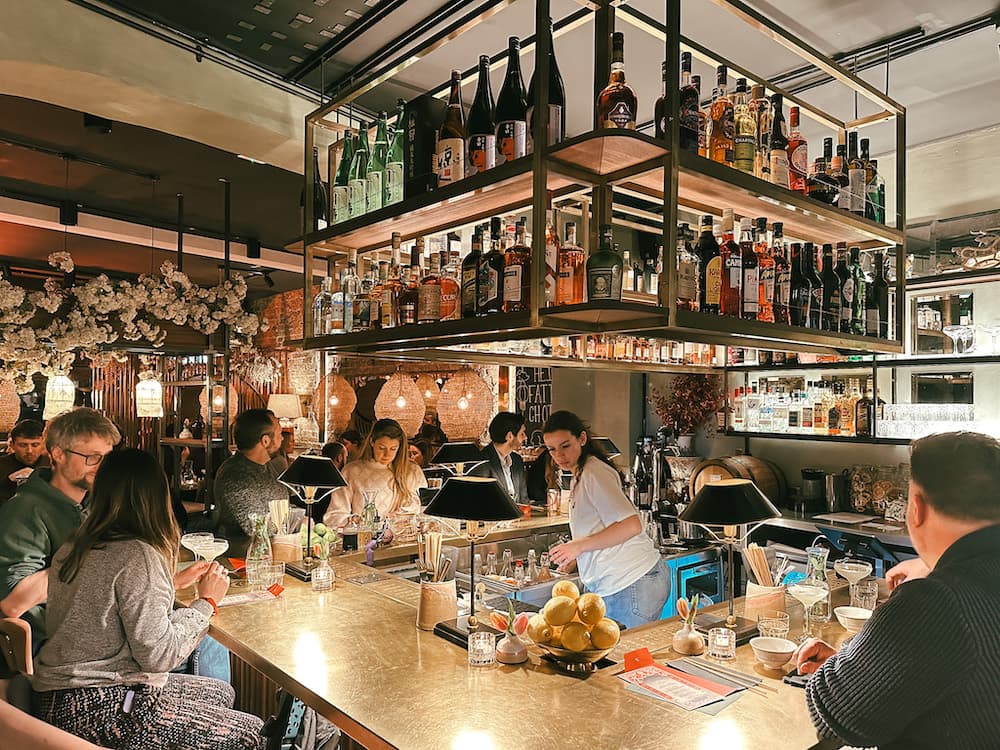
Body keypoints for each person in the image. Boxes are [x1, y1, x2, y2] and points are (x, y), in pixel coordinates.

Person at [30, 448, 264, 750]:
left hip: (59, 696)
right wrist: (207, 602)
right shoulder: (137, 553)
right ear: (157, 495)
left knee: (220, 692)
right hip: (100, 707)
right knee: (250, 733)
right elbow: (159, 657)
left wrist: (171, 586)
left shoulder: (76, 545)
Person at [793, 431, 1000, 750]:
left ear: (916, 508)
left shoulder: (935, 602)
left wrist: (852, 666)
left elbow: (838, 714)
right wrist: (874, 667)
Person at [0, 408, 120, 640]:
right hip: (62, 646)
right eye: (92, 457)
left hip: (104, 631)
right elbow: (12, 601)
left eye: (107, 458)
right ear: (58, 454)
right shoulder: (25, 510)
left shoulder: (96, 503)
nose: (102, 467)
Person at [543, 411, 668, 628]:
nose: (559, 455)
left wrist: (579, 546)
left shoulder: (593, 472)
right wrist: (577, 556)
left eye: (565, 445)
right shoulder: (581, 473)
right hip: (627, 582)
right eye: (552, 449)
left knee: (623, 659)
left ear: (582, 439)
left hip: (630, 582)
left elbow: (631, 525)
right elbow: (600, 527)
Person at [323, 418, 425, 528]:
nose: (387, 454)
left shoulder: (411, 471)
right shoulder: (352, 471)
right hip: (362, 539)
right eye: (382, 448)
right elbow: (334, 515)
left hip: (401, 541)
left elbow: (422, 509)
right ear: (372, 442)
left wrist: (400, 516)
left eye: (393, 449)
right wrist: (352, 520)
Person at [214, 409, 289, 540]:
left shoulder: (266, 466)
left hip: (275, 549)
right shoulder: (235, 476)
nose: (282, 439)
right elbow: (257, 528)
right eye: (279, 434)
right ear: (265, 441)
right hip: (242, 555)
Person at [469, 412, 529, 504]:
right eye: (522, 433)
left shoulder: (517, 460)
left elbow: (523, 500)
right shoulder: (482, 461)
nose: (525, 437)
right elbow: (478, 501)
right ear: (509, 436)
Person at [0, 419, 50, 504]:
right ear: (12, 445)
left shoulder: (52, 465)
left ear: (43, 444)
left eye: (35, 445)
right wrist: (7, 483)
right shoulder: (2, 465)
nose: (29, 451)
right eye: (23, 445)